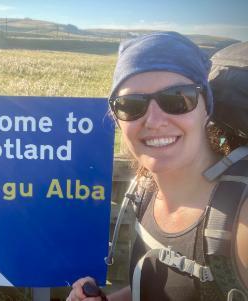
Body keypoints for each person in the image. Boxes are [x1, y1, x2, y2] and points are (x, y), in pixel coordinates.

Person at [66, 32, 248, 301]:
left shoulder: (240, 218)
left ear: (206, 108)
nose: (153, 120)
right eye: (131, 105)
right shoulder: (145, 189)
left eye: (177, 98)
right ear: (118, 120)